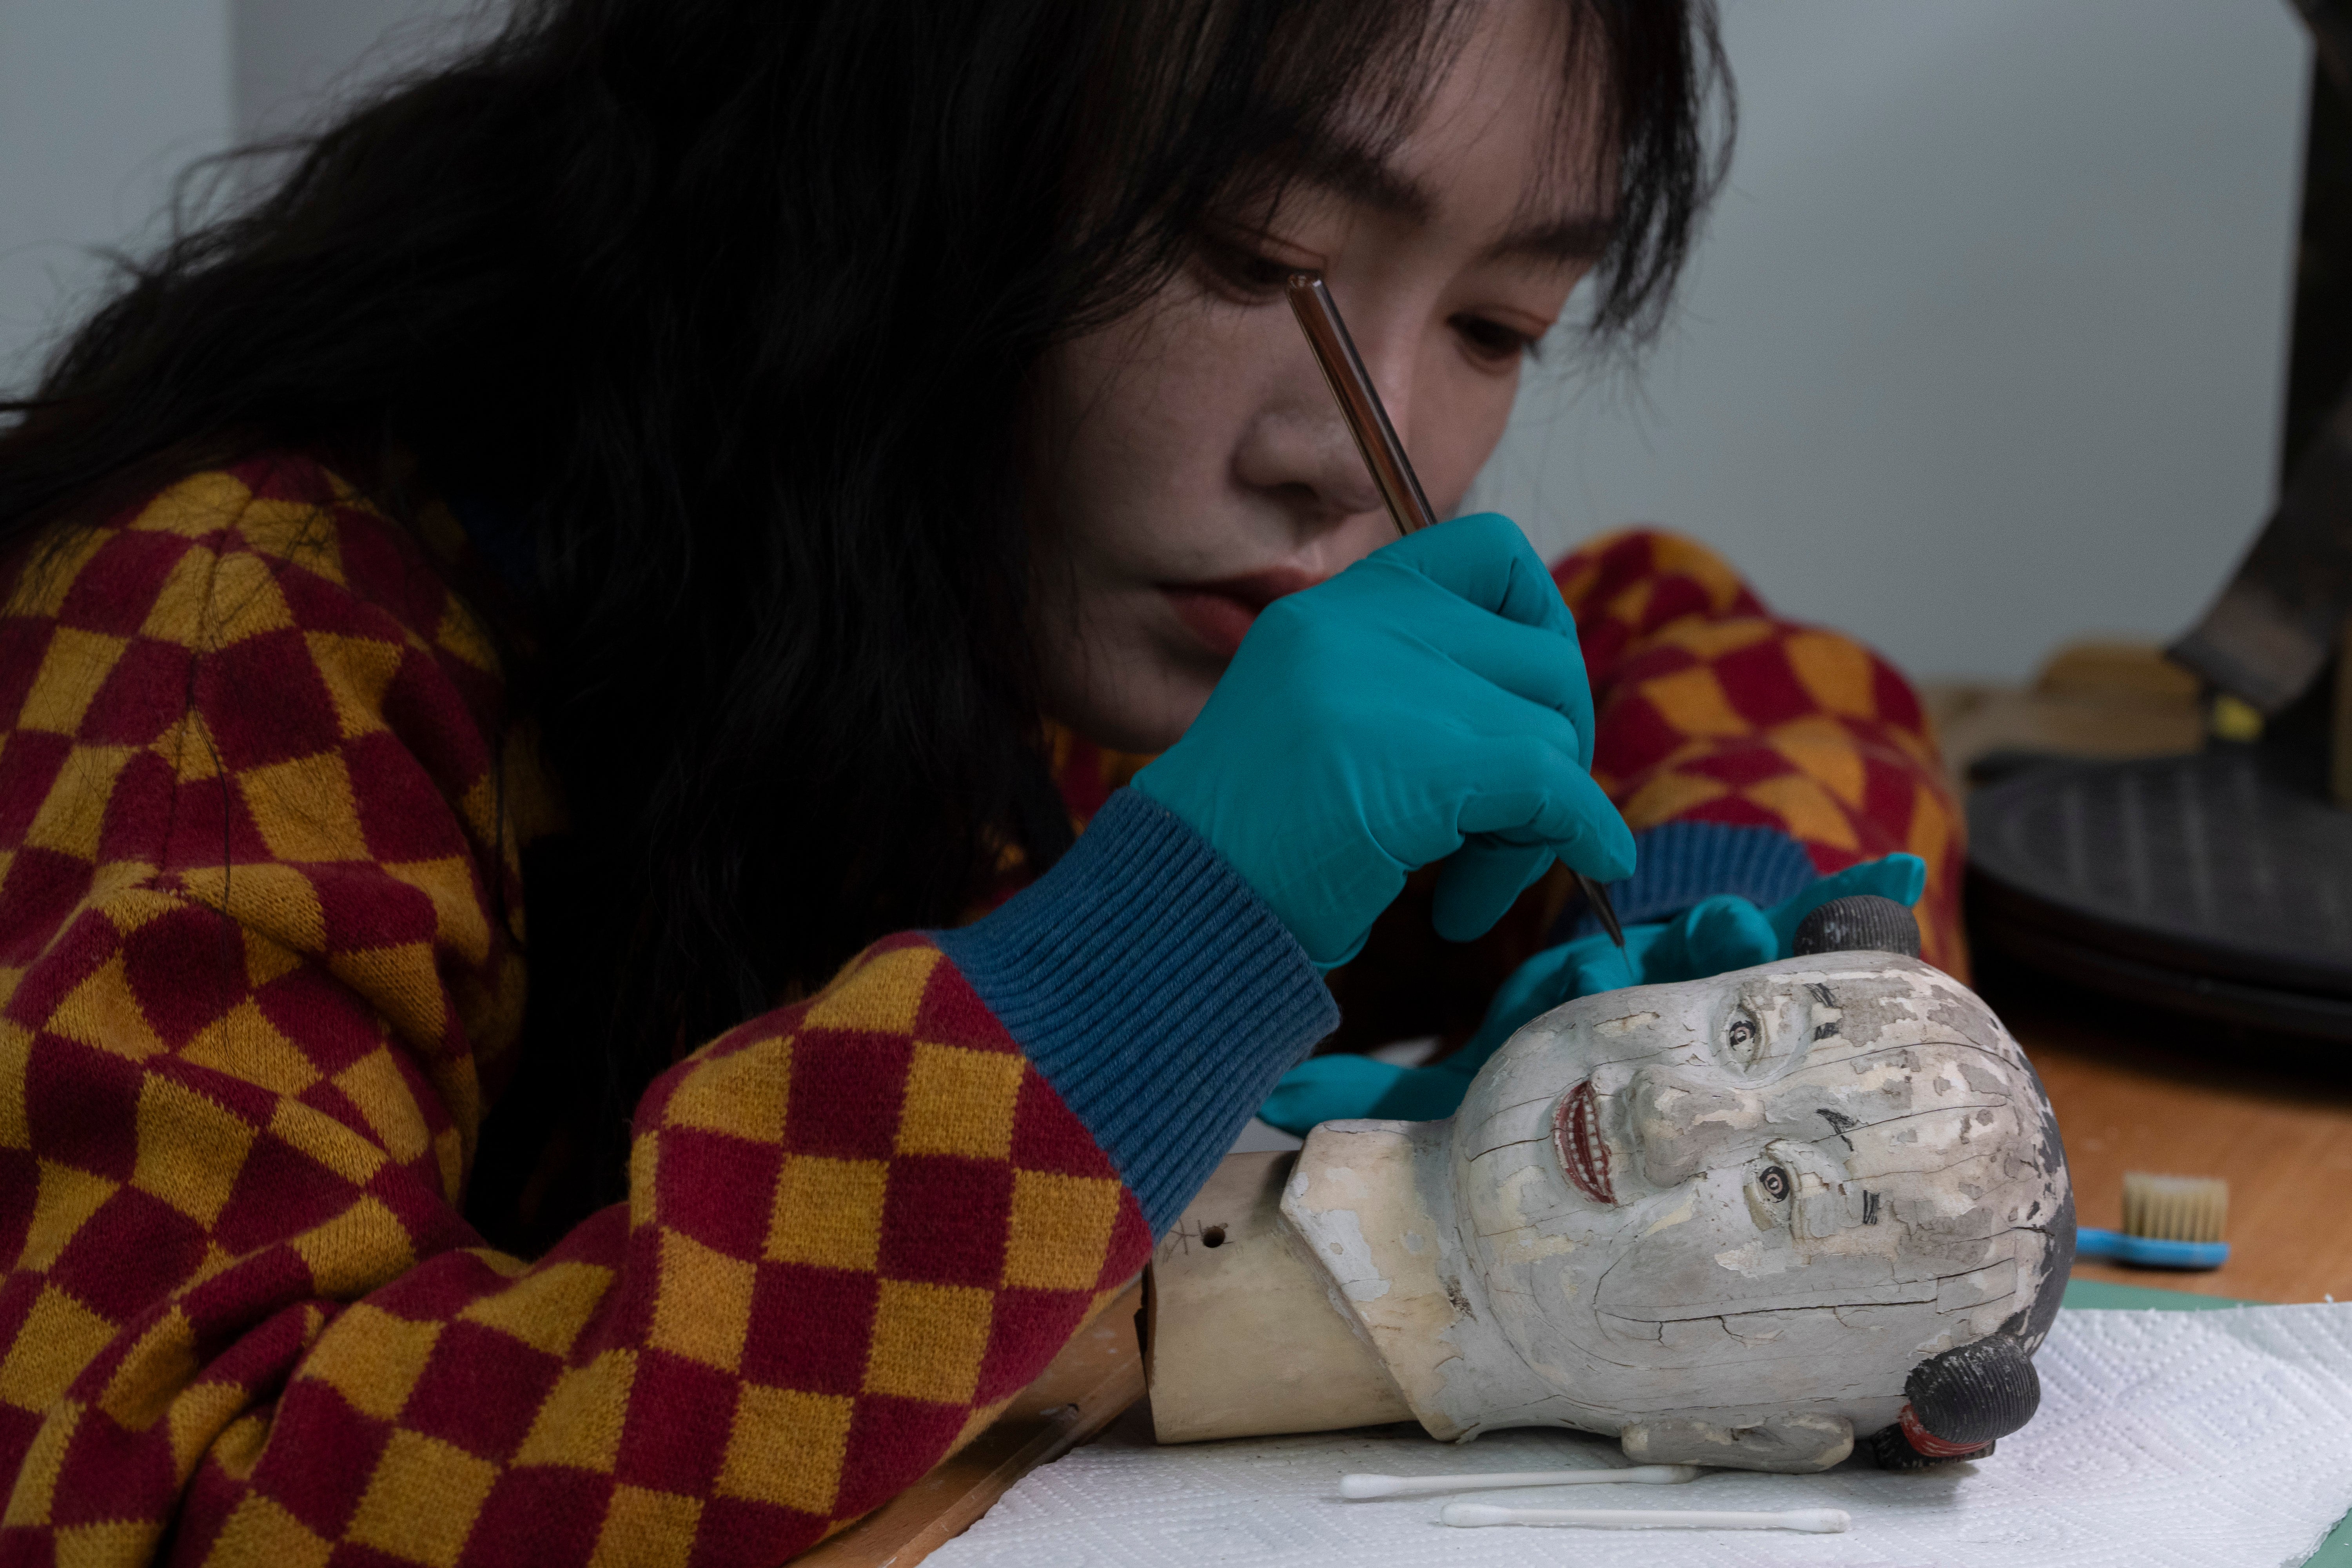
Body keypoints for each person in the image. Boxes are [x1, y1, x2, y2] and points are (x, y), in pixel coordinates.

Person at [0, 0, 1956, 1561]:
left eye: (1497, 323)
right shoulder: (222, 639)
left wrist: (1726, 956)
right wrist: (1162, 954)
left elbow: (1724, 654)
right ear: (881, 136)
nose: (1358, 458)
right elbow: (186, 1494)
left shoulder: (995, 580)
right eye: (1248, 247)